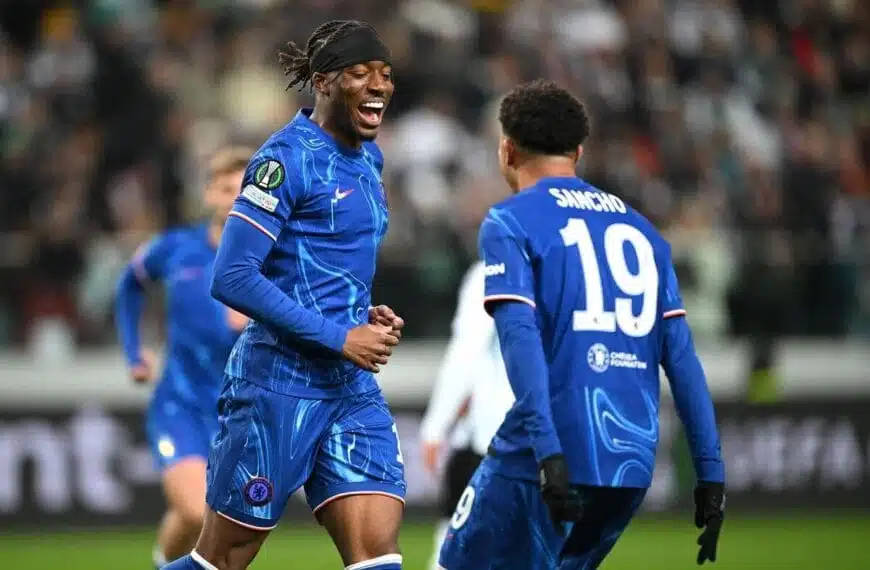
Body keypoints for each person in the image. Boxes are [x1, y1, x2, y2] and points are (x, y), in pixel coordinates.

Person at [438, 79, 726, 570]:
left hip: (544, 455)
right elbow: (681, 361)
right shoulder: (644, 232)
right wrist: (711, 472)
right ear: (578, 151)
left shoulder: (510, 221)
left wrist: (547, 452)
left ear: (507, 150)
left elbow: (520, 339)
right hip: (628, 465)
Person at [162, 20, 406, 570]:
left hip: (350, 388)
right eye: (360, 73)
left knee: (377, 556)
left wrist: (360, 313)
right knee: (223, 559)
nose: (378, 85)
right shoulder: (283, 160)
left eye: (385, 74)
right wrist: (339, 335)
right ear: (323, 82)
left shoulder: (369, 159)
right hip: (278, 385)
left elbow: (321, 267)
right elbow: (232, 276)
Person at [114, 146, 253, 568]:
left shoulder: (272, 258)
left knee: (210, 522)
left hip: (240, 411)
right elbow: (130, 285)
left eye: (244, 190)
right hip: (181, 403)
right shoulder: (177, 248)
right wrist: (135, 352)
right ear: (209, 194)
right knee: (198, 512)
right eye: (226, 189)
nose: (235, 199)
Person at [419, 259, 515, 570]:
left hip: (490, 434)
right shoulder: (569, 266)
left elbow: (466, 352)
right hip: (553, 438)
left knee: (453, 550)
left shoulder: (493, 268)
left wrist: (435, 426)